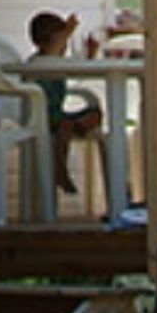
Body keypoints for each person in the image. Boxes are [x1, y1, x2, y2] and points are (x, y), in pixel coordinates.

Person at [27, 11, 104, 194]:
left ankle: (75, 127)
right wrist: (68, 32)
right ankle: (60, 170)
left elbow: (79, 70)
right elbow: (58, 60)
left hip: (59, 116)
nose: (65, 45)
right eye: (62, 41)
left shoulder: (58, 62)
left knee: (95, 113)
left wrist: (89, 54)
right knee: (63, 126)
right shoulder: (38, 63)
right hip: (43, 117)